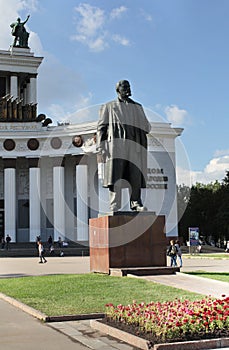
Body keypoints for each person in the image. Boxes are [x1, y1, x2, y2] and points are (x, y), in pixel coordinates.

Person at [97, 80, 151, 212]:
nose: (128, 89)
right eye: (125, 87)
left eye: (129, 87)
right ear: (118, 90)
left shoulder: (137, 106)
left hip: (134, 145)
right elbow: (101, 128)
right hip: (116, 146)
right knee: (116, 175)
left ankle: (136, 202)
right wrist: (100, 146)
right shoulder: (109, 106)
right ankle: (115, 204)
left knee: (135, 175)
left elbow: (147, 127)